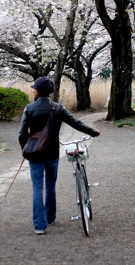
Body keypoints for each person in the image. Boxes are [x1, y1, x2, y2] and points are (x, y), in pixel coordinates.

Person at [18, 76, 100, 235]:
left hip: (34, 154)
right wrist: (93, 132)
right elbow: (76, 123)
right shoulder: (58, 108)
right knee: (50, 186)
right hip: (52, 152)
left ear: (40, 91)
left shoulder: (29, 108)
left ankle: (39, 226)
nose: (33, 90)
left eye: (34, 88)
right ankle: (50, 217)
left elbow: (22, 134)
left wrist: (26, 150)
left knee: (37, 187)